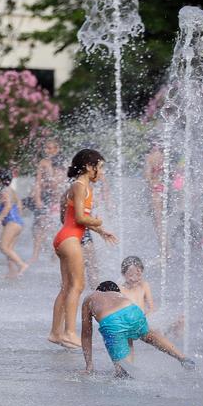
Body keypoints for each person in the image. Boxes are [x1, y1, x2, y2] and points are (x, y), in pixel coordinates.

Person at [50, 149, 117, 350]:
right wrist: (98, 221)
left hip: (66, 238)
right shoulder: (80, 186)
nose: (102, 172)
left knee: (66, 286)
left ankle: (55, 332)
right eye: (100, 167)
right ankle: (70, 333)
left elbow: (74, 218)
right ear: (89, 167)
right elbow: (80, 218)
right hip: (70, 239)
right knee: (77, 286)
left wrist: (101, 231)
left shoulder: (82, 186)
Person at [81, 281, 194, 378]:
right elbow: (127, 334)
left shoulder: (90, 297)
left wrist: (89, 366)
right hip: (132, 311)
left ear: (99, 290)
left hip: (112, 321)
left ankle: (125, 373)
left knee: (122, 375)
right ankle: (182, 358)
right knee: (147, 335)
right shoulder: (119, 296)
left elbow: (86, 334)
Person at [29, 139, 65, 263]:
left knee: (56, 228)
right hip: (45, 199)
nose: (47, 150)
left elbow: (65, 182)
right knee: (39, 227)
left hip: (57, 200)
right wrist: (37, 199)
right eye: (46, 148)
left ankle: (55, 255)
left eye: (50, 148)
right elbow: (38, 182)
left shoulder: (62, 163)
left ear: (56, 149)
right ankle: (35, 256)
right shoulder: (43, 163)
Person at [0, 169, 28, 279]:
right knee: (9, 249)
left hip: (12, 222)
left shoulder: (3, 191)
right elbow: (19, 204)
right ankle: (12, 272)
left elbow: (8, 206)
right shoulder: (11, 190)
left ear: (0, 179)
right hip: (18, 222)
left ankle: (22, 265)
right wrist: (18, 218)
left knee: (3, 247)